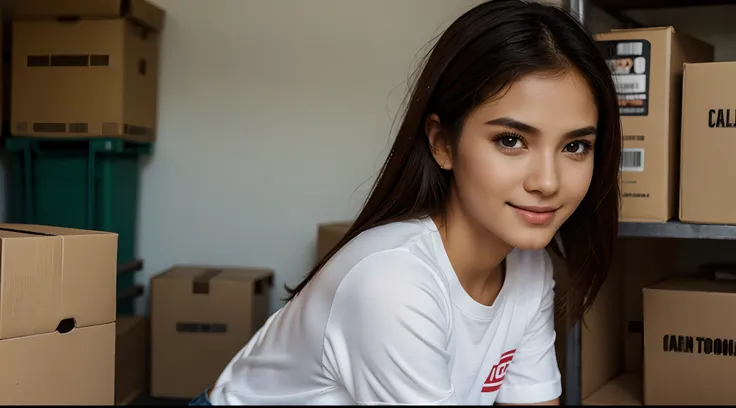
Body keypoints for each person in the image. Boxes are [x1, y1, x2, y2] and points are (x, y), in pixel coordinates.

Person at [193, 0, 621, 405]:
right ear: (442, 144)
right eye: (511, 140)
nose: (547, 181)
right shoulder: (393, 283)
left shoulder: (529, 268)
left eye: (576, 146)